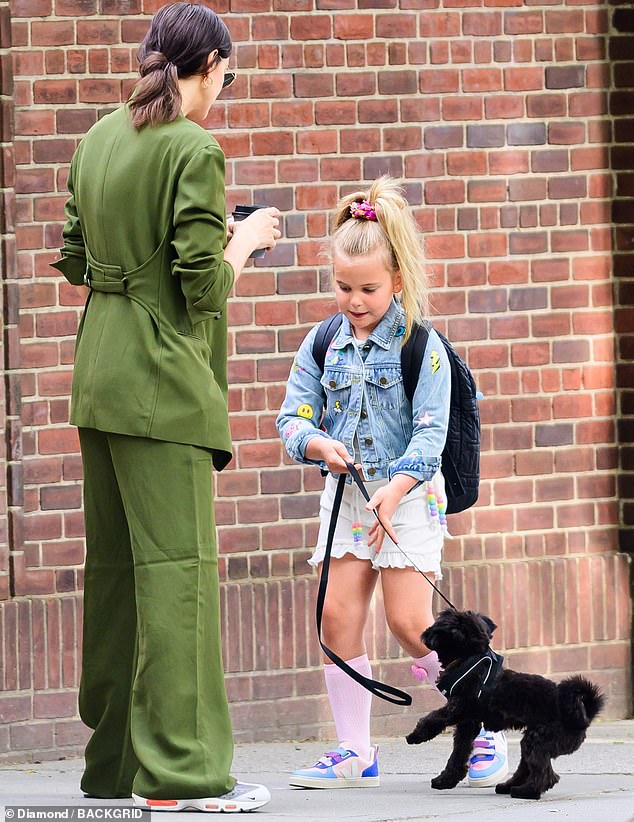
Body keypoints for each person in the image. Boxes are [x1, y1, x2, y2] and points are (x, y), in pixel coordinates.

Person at [51, 2, 280, 813]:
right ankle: (182, 776)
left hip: (98, 374)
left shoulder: (97, 139)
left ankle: (114, 769)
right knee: (178, 578)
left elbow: (77, 258)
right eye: (230, 74)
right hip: (160, 386)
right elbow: (203, 288)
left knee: (116, 578)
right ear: (211, 63)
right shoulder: (193, 146)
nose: (226, 87)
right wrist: (245, 241)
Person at [276, 177, 507, 789]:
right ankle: (355, 752)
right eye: (343, 286)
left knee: (413, 624)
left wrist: (397, 489)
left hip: (405, 500)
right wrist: (314, 443)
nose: (353, 300)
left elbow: (429, 438)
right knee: (336, 617)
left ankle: (478, 726)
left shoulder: (421, 346)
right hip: (350, 500)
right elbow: (292, 415)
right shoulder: (322, 341)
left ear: (398, 280)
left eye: (368, 289)